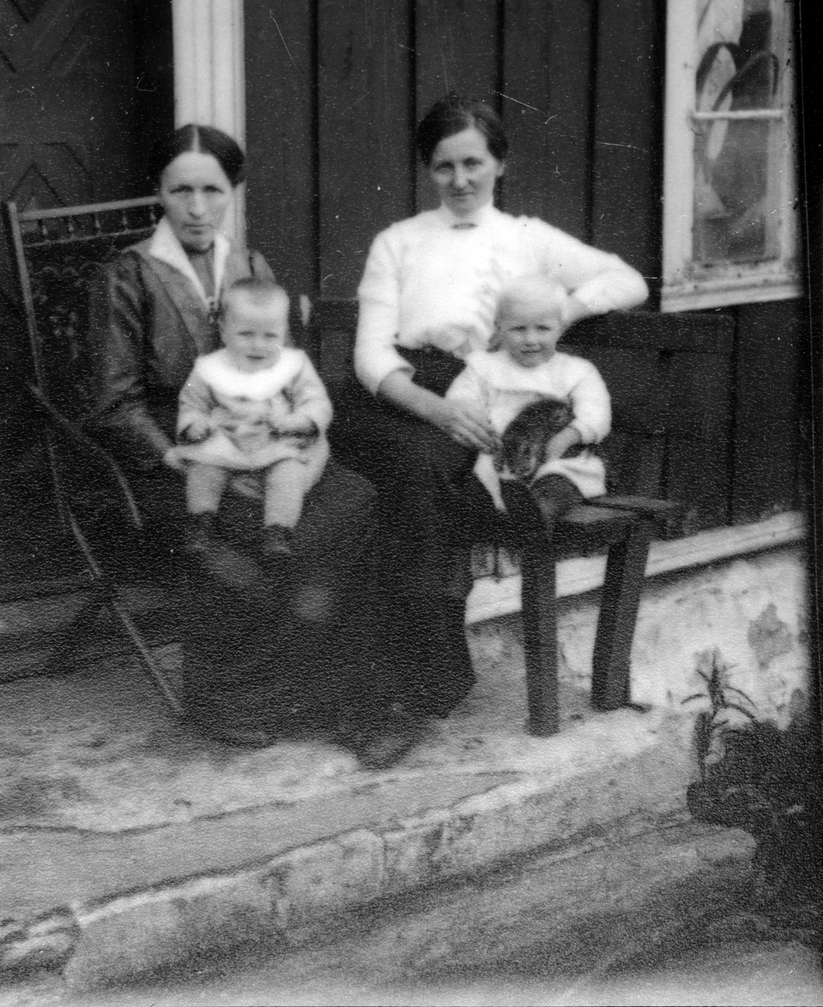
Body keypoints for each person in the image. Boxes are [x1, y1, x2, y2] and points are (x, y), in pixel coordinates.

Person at [87, 123, 418, 767]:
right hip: (178, 459)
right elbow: (112, 404)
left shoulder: (251, 268)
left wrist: (302, 438)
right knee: (273, 524)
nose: (197, 208)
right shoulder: (126, 276)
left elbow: (287, 373)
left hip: (265, 449)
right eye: (181, 190)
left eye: (213, 190)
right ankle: (232, 697)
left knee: (355, 496)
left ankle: (332, 695)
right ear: (159, 192)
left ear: (234, 191)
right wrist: (176, 452)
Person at [330, 92, 648, 720]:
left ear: (499, 164)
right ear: (428, 169)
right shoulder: (398, 241)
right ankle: (429, 675)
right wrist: (433, 409)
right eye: (445, 166)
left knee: (416, 485)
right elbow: (370, 354)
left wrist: (556, 313)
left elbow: (628, 280)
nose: (460, 180)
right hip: (398, 395)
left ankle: (399, 689)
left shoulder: (528, 239)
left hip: (475, 394)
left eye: (473, 163)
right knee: (409, 475)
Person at [171, 278, 331, 564]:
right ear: (223, 330)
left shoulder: (292, 365)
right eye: (245, 334)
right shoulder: (210, 368)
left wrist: (302, 420)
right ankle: (201, 521)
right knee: (203, 467)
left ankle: (278, 531)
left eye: (270, 336)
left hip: (275, 439)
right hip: (227, 440)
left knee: (289, 472)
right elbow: (191, 403)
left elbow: (315, 400)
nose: (258, 346)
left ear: (283, 333)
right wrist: (193, 423)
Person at [445, 274, 611, 525]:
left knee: (558, 486)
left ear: (560, 326)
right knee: (470, 480)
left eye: (543, 328)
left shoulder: (575, 371)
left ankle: (535, 516)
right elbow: (460, 400)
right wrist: (471, 416)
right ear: (499, 327)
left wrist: (568, 436)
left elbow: (596, 414)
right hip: (493, 459)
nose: (531, 340)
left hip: (557, 461)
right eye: (518, 329)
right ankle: (493, 514)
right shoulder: (483, 367)